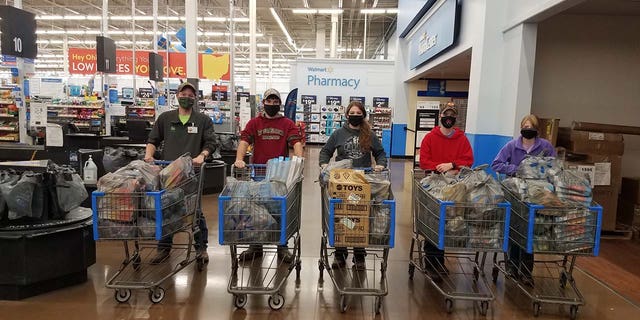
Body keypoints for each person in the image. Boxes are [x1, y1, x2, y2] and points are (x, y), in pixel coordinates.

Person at [145, 82, 217, 264]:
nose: (187, 97)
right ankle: (164, 248)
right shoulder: (165, 118)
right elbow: (153, 140)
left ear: (195, 98)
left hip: (192, 174)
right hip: (168, 172)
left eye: (191, 95)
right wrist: (148, 156)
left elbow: (211, 143)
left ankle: (201, 248)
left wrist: (202, 155)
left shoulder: (203, 121)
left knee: (194, 211)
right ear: (177, 95)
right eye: (183, 93)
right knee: (167, 207)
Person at [234, 88, 304, 264]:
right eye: (269, 101)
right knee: (257, 211)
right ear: (263, 102)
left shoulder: (287, 123)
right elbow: (244, 141)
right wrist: (239, 159)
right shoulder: (254, 123)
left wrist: (299, 161)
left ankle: (282, 245)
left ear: (279, 104)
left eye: (275, 101)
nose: (272, 104)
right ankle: (256, 246)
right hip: (258, 174)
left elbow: (296, 142)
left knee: (280, 209)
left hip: (279, 176)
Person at [318, 101, 387, 270]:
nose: (355, 115)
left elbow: (380, 153)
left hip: (362, 181)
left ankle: (359, 254)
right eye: (352, 112)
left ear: (363, 115)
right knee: (342, 214)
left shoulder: (369, 134)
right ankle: (340, 253)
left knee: (359, 215)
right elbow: (325, 151)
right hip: (342, 181)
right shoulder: (338, 133)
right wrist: (324, 164)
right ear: (347, 115)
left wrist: (380, 165)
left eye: (358, 113)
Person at [491, 114, 556, 285]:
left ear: (536, 129)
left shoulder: (546, 147)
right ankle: (512, 267)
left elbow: (554, 167)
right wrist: (516, 169)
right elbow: (496, 164)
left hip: (536, 196)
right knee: (514, 230)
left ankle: (526, 271)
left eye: (531, 127)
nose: (528, 129)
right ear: (521, 128)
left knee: (530, 232)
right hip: (515, 195)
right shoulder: (512, 146)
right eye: (525, 126)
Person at [419, 102, 474, 281]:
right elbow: (424, 162)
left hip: (455, 188)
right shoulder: (430, 138)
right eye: (446, 115)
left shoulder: (462, 139)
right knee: (433, 220)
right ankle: (432, 261)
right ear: (440, 116)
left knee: (450, 221)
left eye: (452, 116)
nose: (448, 118)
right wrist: (438, 168)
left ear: (455, 118)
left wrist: (453, 165)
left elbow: (469, 159)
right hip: (434, 185)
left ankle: (439, 260)